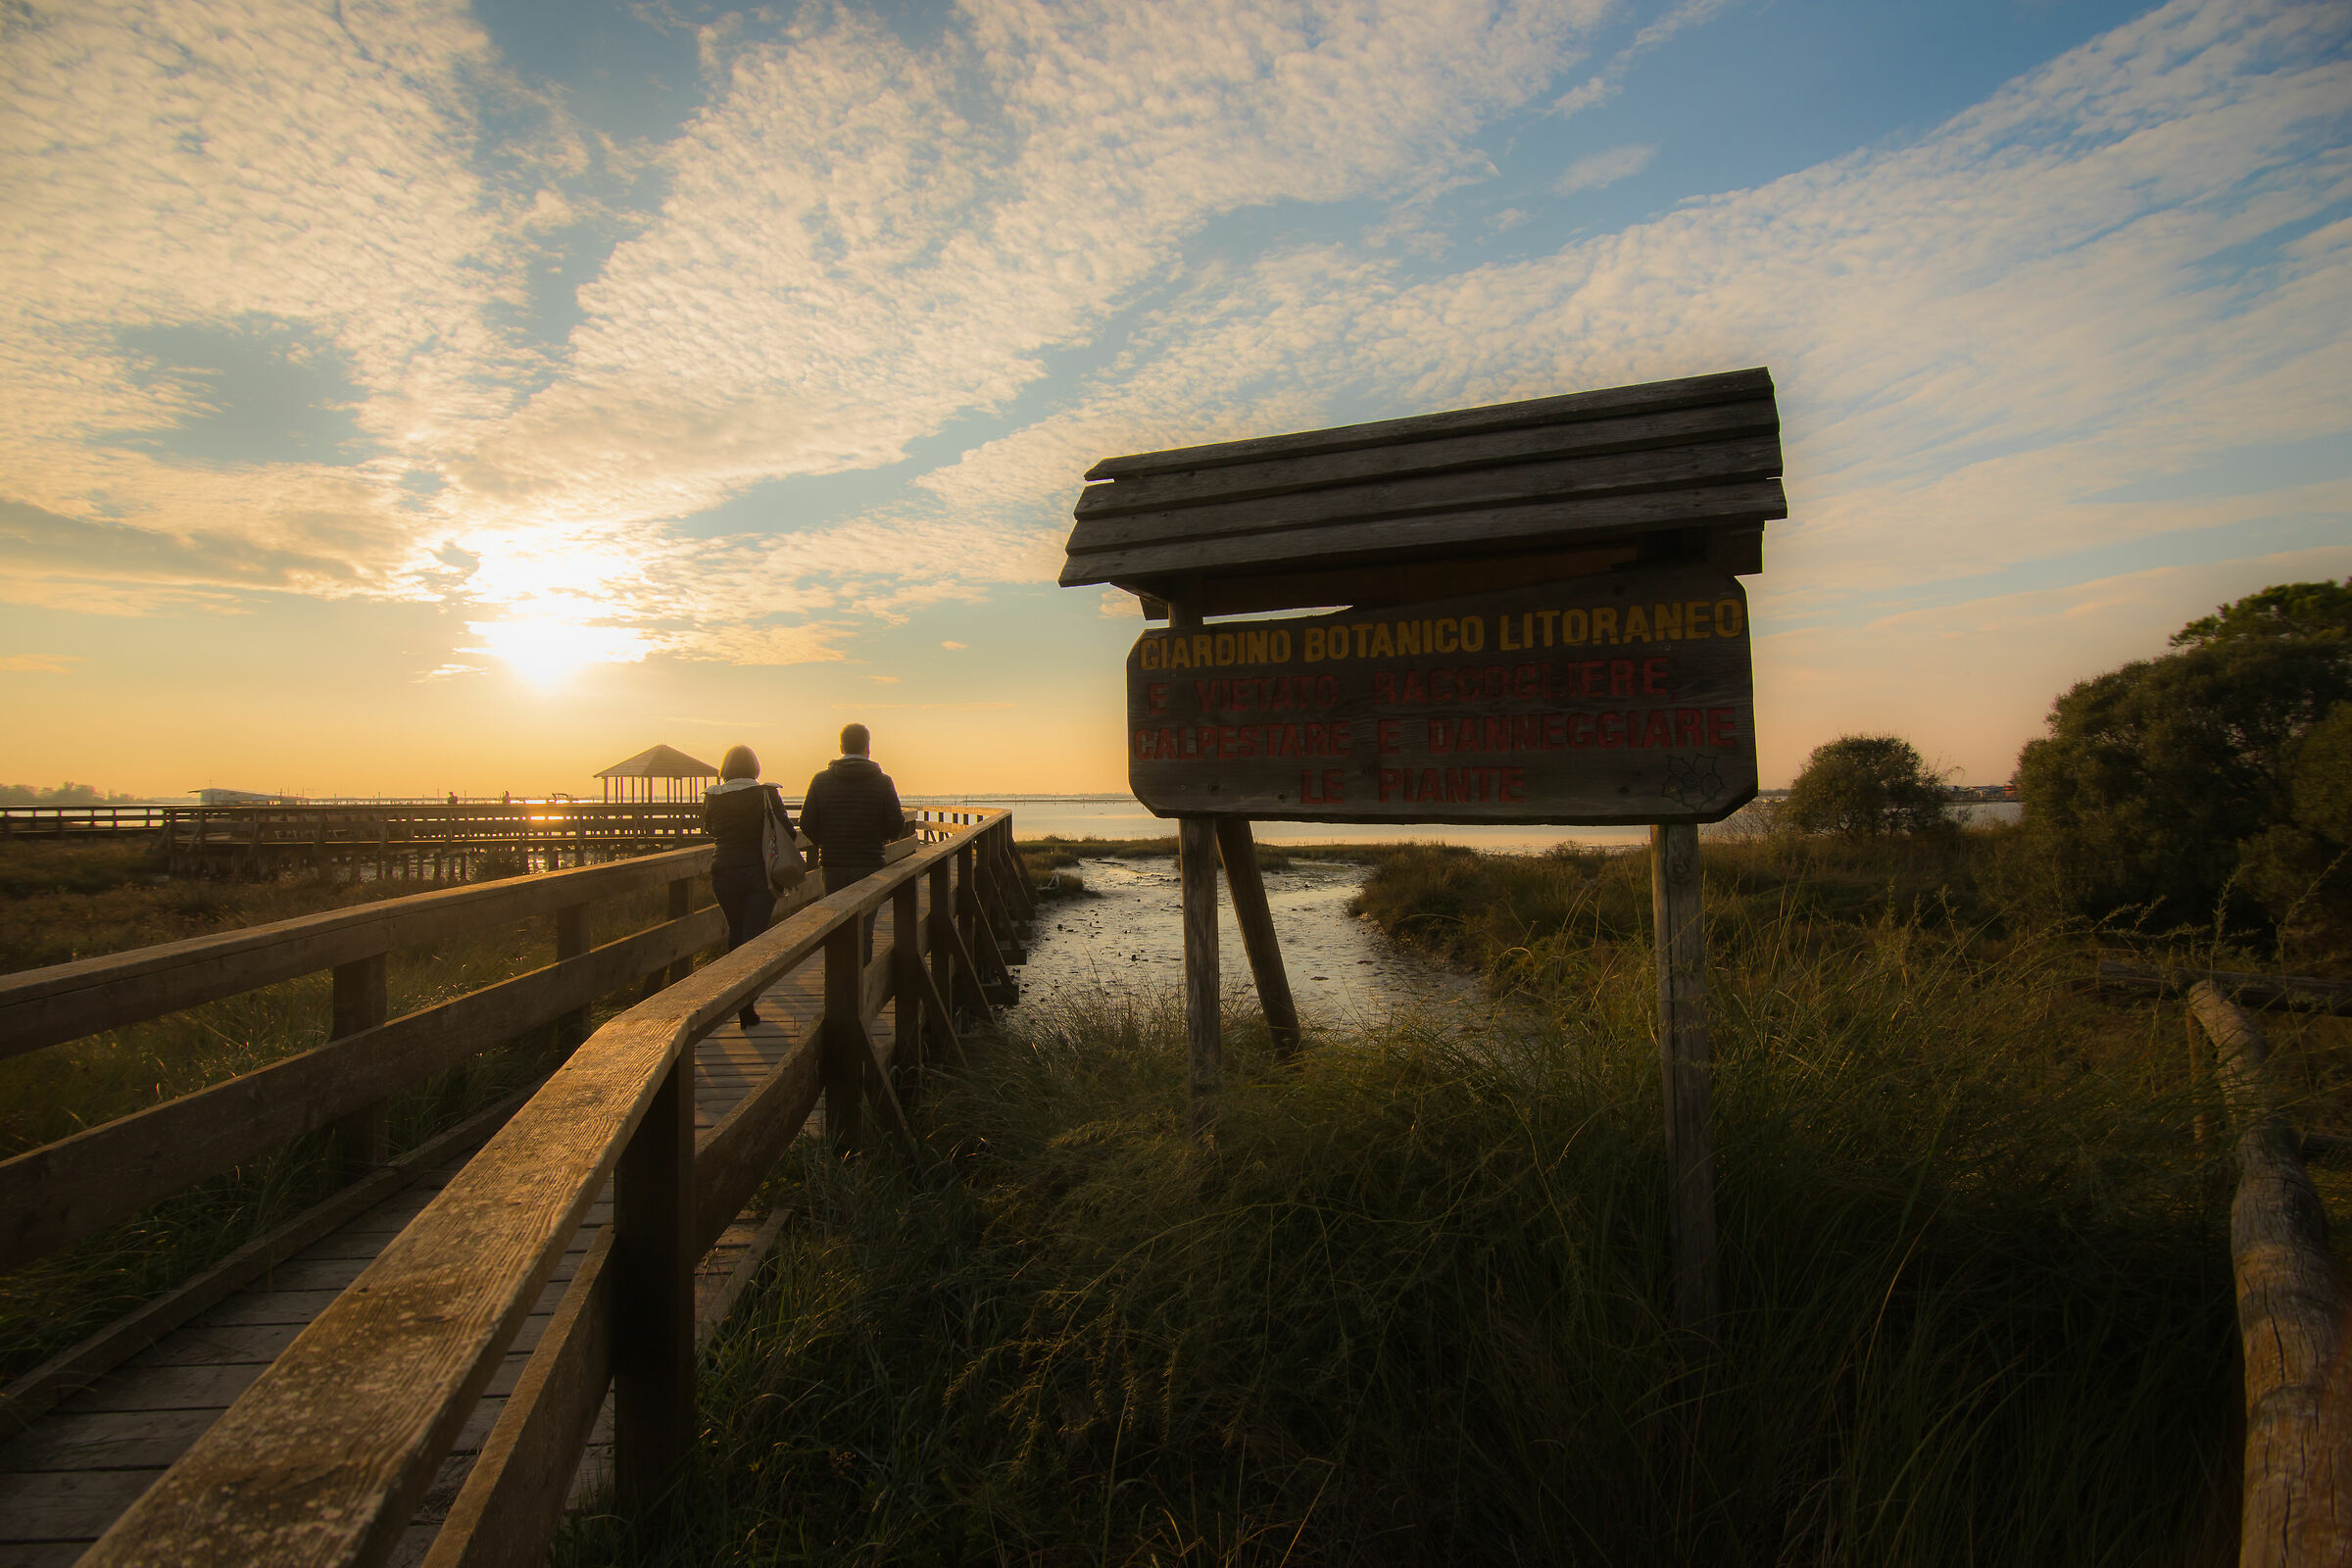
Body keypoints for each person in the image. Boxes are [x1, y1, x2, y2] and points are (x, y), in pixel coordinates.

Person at [703, 744, 795, 1029]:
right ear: (754, 767)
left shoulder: (712, 796)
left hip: (723, 871)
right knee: (753, 937)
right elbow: (788, 831)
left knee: (736, 932)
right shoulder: (766, 793)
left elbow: (709, 828)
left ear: (725, 768)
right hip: (759, 873)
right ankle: (745, 1003)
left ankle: (736, 998)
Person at [800, 723, 907, 957]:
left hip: (832, 863)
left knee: (834, 924)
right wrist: (880, 836)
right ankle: (862, 980)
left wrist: (826, 840)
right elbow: (896, 825)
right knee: (864, 929)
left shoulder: (820, 780)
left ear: (841, 746)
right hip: (869, 863)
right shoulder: (883, 781)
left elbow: (806, 823)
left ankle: (835, 981)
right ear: (868, 747)